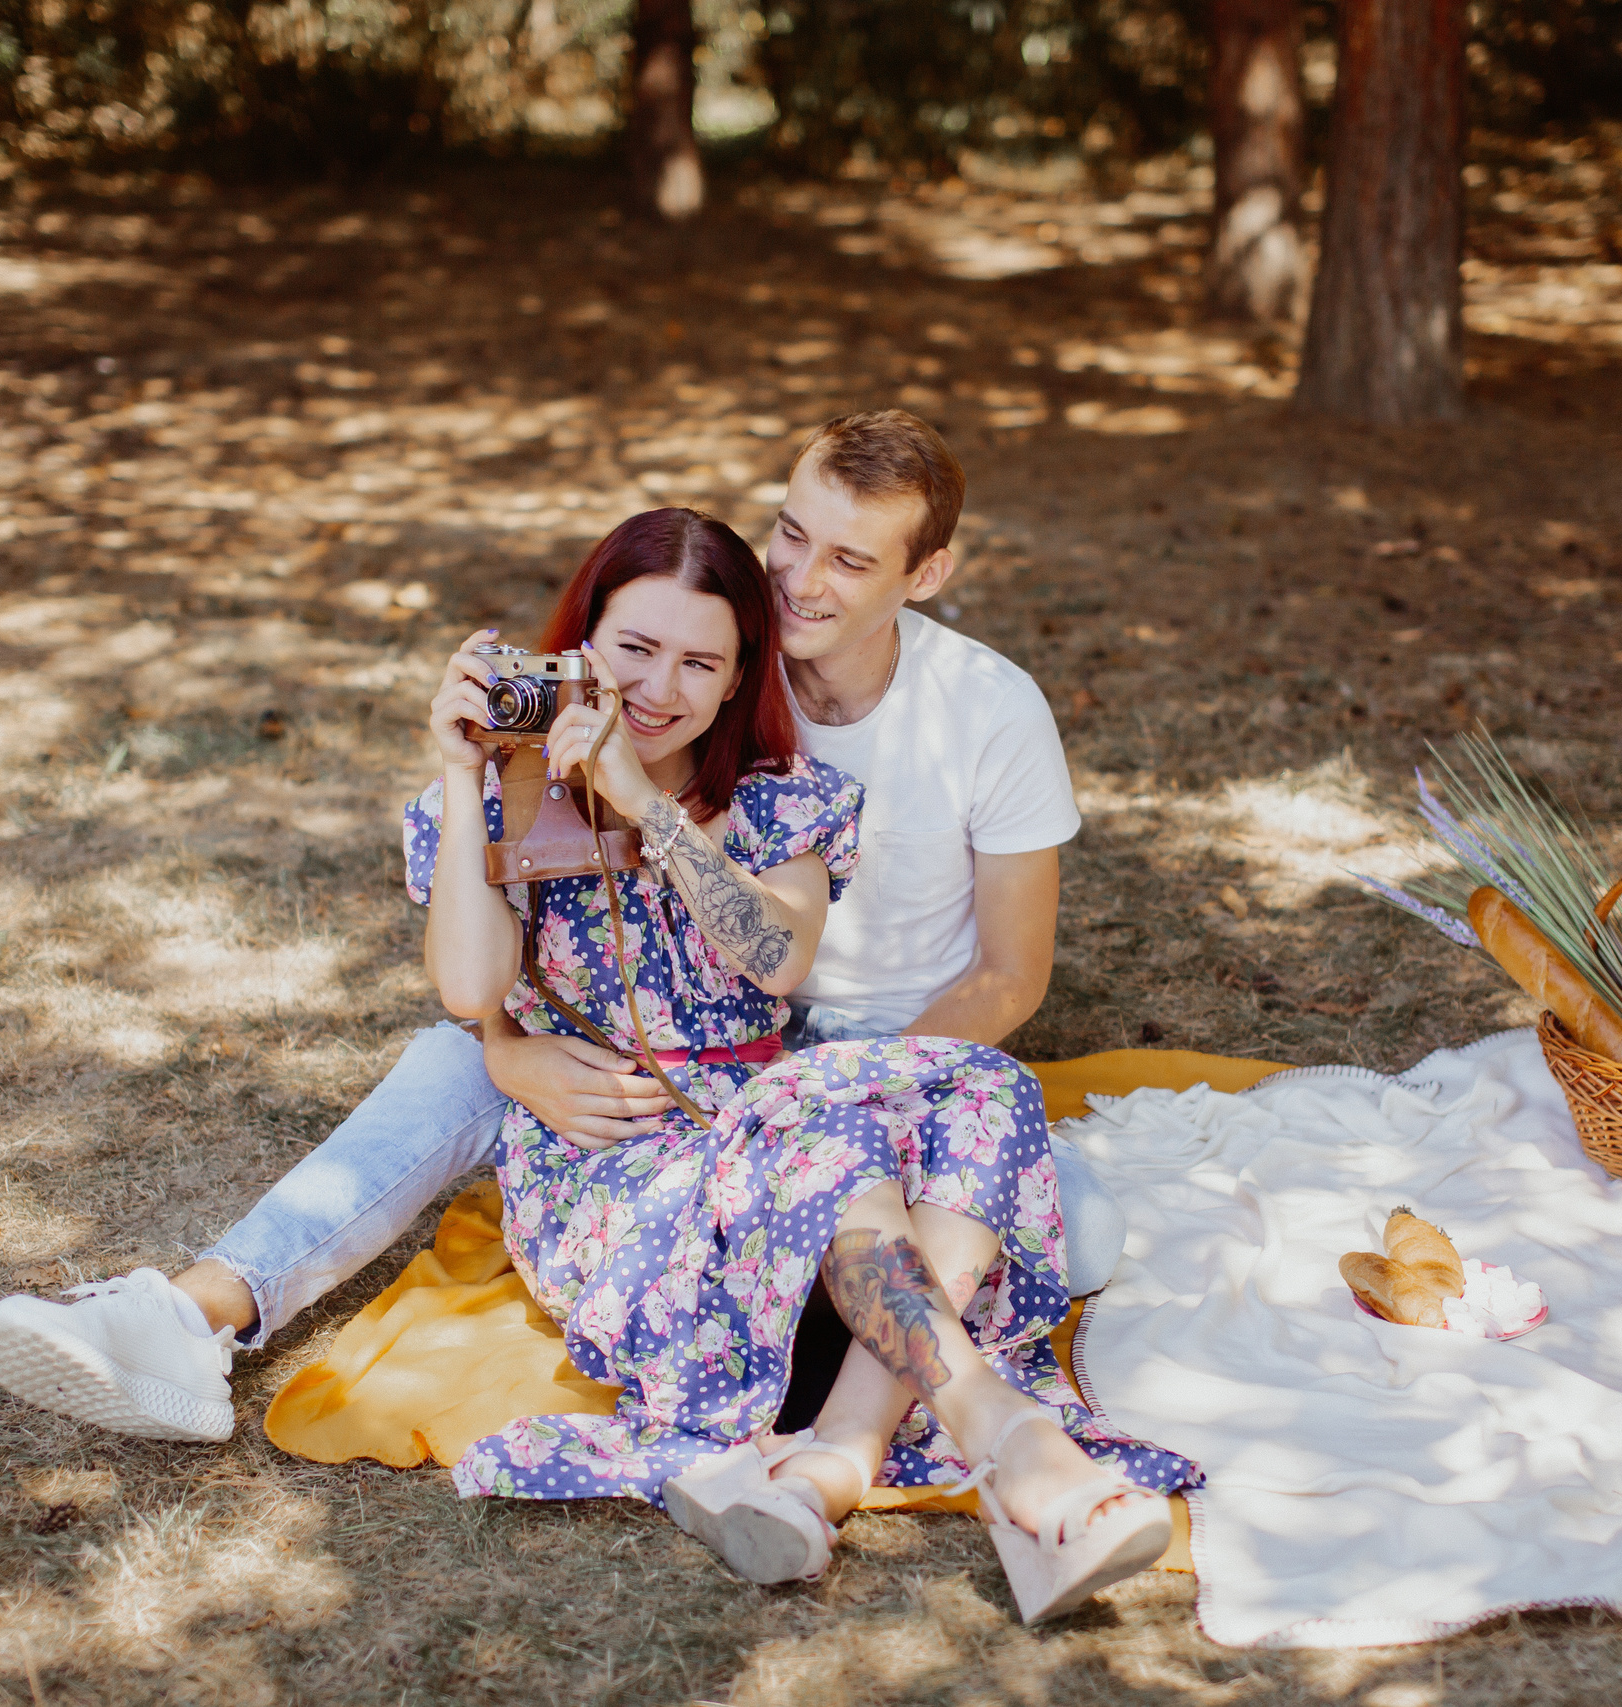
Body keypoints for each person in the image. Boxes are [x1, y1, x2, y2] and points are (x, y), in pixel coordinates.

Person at [0, 410, 1121, 1447]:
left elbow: (982, 973)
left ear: (924, 576)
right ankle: (191, 1311)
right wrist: (503, 1033)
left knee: (1081, 1231)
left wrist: (833, 1103)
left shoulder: (948, 721)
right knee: (455, 1054)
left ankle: (864, 1374)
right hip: (636, 1078)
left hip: (852, 1060)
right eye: (790, 536)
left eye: (849, 561)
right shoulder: (670, 664)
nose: (799, 581)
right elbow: (477, 984)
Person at [399, 508, 1196, 1618]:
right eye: (634, 649)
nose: (658, 689)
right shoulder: (503, 797)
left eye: (699, 663)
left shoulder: (782, 800)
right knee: (822, 1130)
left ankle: (835, 1463)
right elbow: (469, 990)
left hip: (787, 1136)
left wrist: (645, 804)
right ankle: (1008, 1444)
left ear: (740, 679)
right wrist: (459, 770)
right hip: (623, 1175)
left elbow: (776, 958)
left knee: (982, 1083)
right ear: (581, 645)